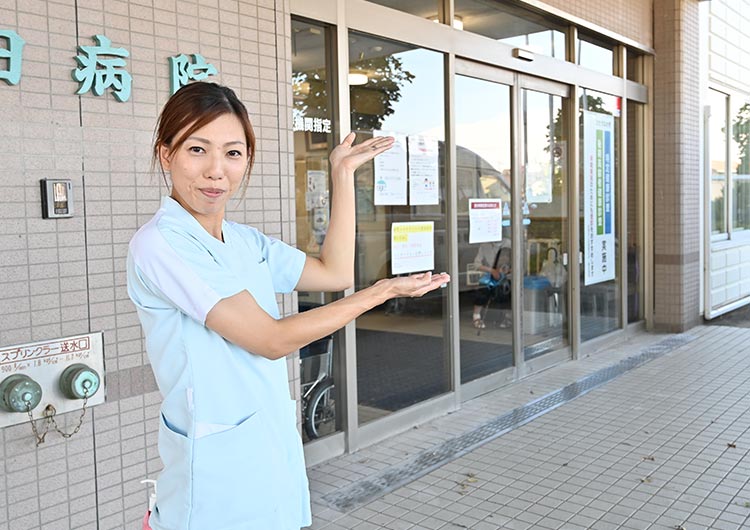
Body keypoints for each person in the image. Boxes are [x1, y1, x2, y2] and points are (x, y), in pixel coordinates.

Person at [126, 82, 450, 530]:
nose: (216, 171)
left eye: (233, 153)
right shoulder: (162, 243)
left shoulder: (244, 241)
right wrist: (381, 293)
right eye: (197, 149)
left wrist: (341, 174)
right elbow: (270, 339)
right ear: (167, 155)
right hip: (215, 476)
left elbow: (334, 273)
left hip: (268, 449)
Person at [471, 238, 511, 329]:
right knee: (482, 289)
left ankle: (507, 316)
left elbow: (515, 260)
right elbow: (476, 264)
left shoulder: (508, 243)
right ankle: (476, 316)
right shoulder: (484, 245)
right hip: (490, 274)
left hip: (506, 275)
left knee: (507, 290)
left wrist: (506, 270)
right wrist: (492, 271)